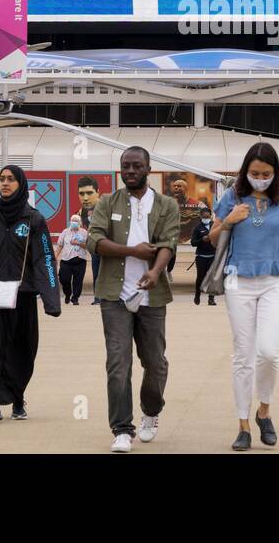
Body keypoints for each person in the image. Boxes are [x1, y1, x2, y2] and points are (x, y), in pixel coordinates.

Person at [209, 142, 279, 451]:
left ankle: (264, 411)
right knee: (243, 354)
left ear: (275, 173)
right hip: (238, 280)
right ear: (245, 172)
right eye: (254, 173)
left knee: (268, 352)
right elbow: (212, 240)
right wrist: (229, 220)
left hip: (275, 281)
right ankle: (242, 426)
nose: (260, 178)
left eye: (266, 173)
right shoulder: (232, 197)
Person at [86, 147, 179, 453]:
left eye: (136, 166)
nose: (130, 171)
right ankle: (122, 429)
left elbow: (168, 241)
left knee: (155, 362)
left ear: (148, 168)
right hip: (115, 295)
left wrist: (154, 271)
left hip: (152, 297)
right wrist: (132, 251)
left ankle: (151, 412)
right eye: (125, 166)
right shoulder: (107, 203)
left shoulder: (166, 204)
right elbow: (94, 240)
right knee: (117, 362)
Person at [0, 164, 60, 422]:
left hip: (23, 295)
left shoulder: (33, 218)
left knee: (23, 347)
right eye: (1, 179)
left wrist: (51, 300)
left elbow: (44, 259)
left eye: (10, 180)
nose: (4, 183)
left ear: (21, 184)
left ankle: (17, 398)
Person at [168, 177, 205, 275]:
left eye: (179, 186)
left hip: (191, 237)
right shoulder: (169, 204)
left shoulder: (198, 204)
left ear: (186, 188)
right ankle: (168, 271)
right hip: (174, 236)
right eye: (174, 186)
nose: (176, 188)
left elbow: (207, 216)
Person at [76, 176, 104, 304]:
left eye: (89, 193)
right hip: (95, 249)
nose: (85, 198)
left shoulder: (106, 207)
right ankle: (98, 298)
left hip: (110, 248)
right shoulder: (82, 211)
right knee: (96, 273)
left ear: (98, 192)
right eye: (81, 194)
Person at [55, 213, 90, 305]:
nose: (74, 223)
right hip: (66, 260)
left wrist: (78, 243)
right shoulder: (65, 232)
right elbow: (60, 245)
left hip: (80, 260)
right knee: (64, 279)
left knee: (78, 281)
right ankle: (67, 294)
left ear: (80, 223)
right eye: (72, 221)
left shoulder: (84, 233)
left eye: (76, 221)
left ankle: (75, 298)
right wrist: (55, 257)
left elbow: (88, 246)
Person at [191, 207, 217, 306]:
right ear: (200, 216)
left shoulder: (215, 225)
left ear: (210, 215)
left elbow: (220, 237)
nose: (206, 218)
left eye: (208, 216)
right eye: (204, 217)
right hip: (201, 256)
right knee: (200, 277)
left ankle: (211, 299)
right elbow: (193, 243)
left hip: (212, 256)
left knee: (211, 277)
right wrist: (202, 239)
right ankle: (197, 296)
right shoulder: (197, 228)